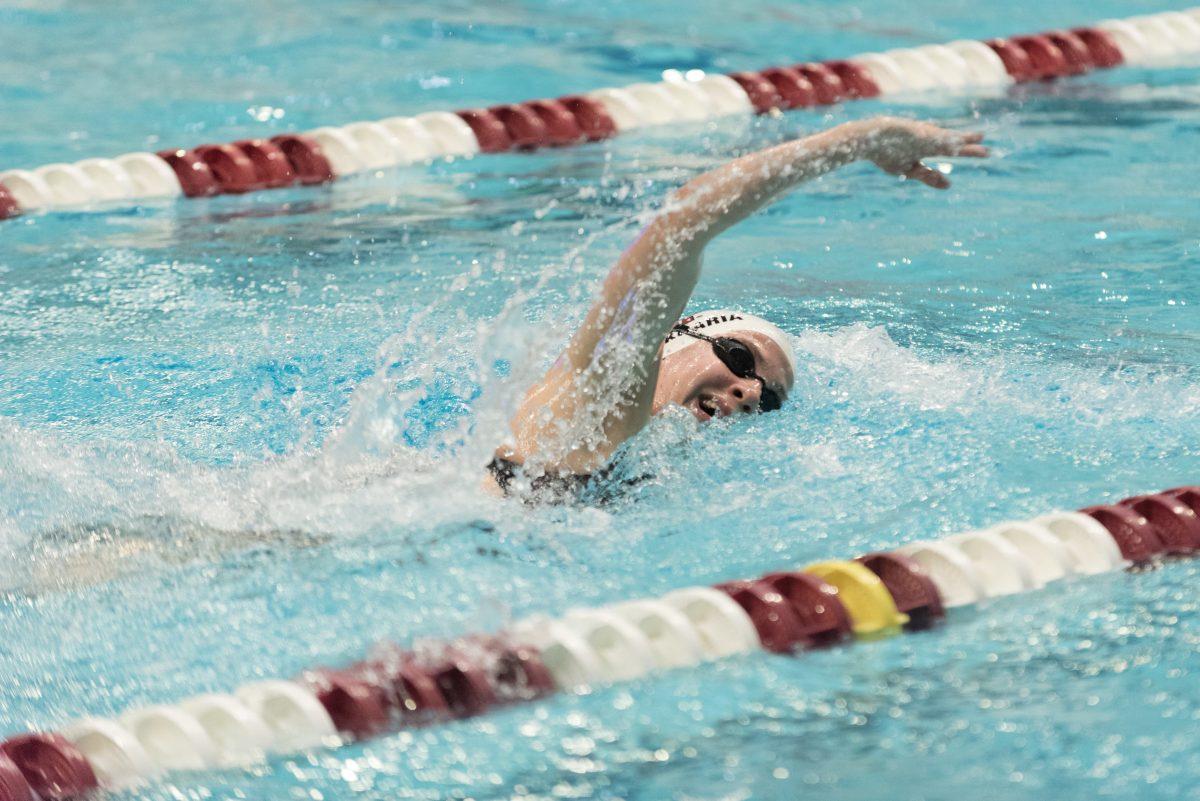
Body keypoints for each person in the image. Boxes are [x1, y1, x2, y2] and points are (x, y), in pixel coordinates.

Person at [486, 116, 988, 498]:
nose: (750, 392)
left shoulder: (635, 460)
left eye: (768, 399)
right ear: (674, 334)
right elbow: (681, 226)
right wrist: (859, 140)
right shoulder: (599, 402)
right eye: (739, 357)